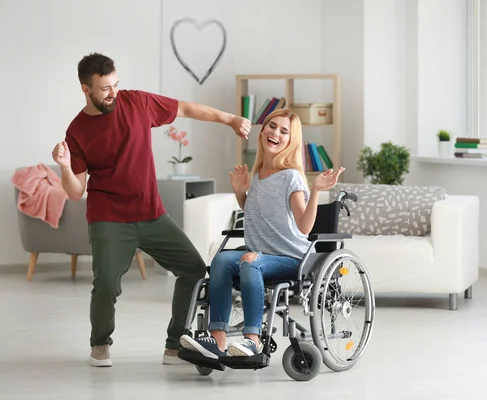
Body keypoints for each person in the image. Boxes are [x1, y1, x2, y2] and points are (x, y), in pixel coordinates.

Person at [51, 52, 251, 367]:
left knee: (194, 270)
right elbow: (75, 192)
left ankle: (175, 346)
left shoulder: (138, 103)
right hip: (109, 217)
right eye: (104, 88)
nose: (113, 93)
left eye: (116, 84)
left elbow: (184, 108)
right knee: (106, 283)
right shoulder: (77, 130)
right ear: (85, 90)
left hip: (151, 212)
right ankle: (100, 344)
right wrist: (63, 167)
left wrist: (229, 119)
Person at [179, 108, 344, 359]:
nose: (275, 132)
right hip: (260, 254)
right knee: (221, 260)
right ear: (262, 131)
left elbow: (304, 227)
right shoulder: (257, 175)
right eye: (271, 125)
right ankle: (218, 339)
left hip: (290, 257)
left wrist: (316, 191)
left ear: (291, 141)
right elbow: (256, 213)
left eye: (284, 131)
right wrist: (240, 193)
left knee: (249, 262)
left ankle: (253, 340)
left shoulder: (291, 177)